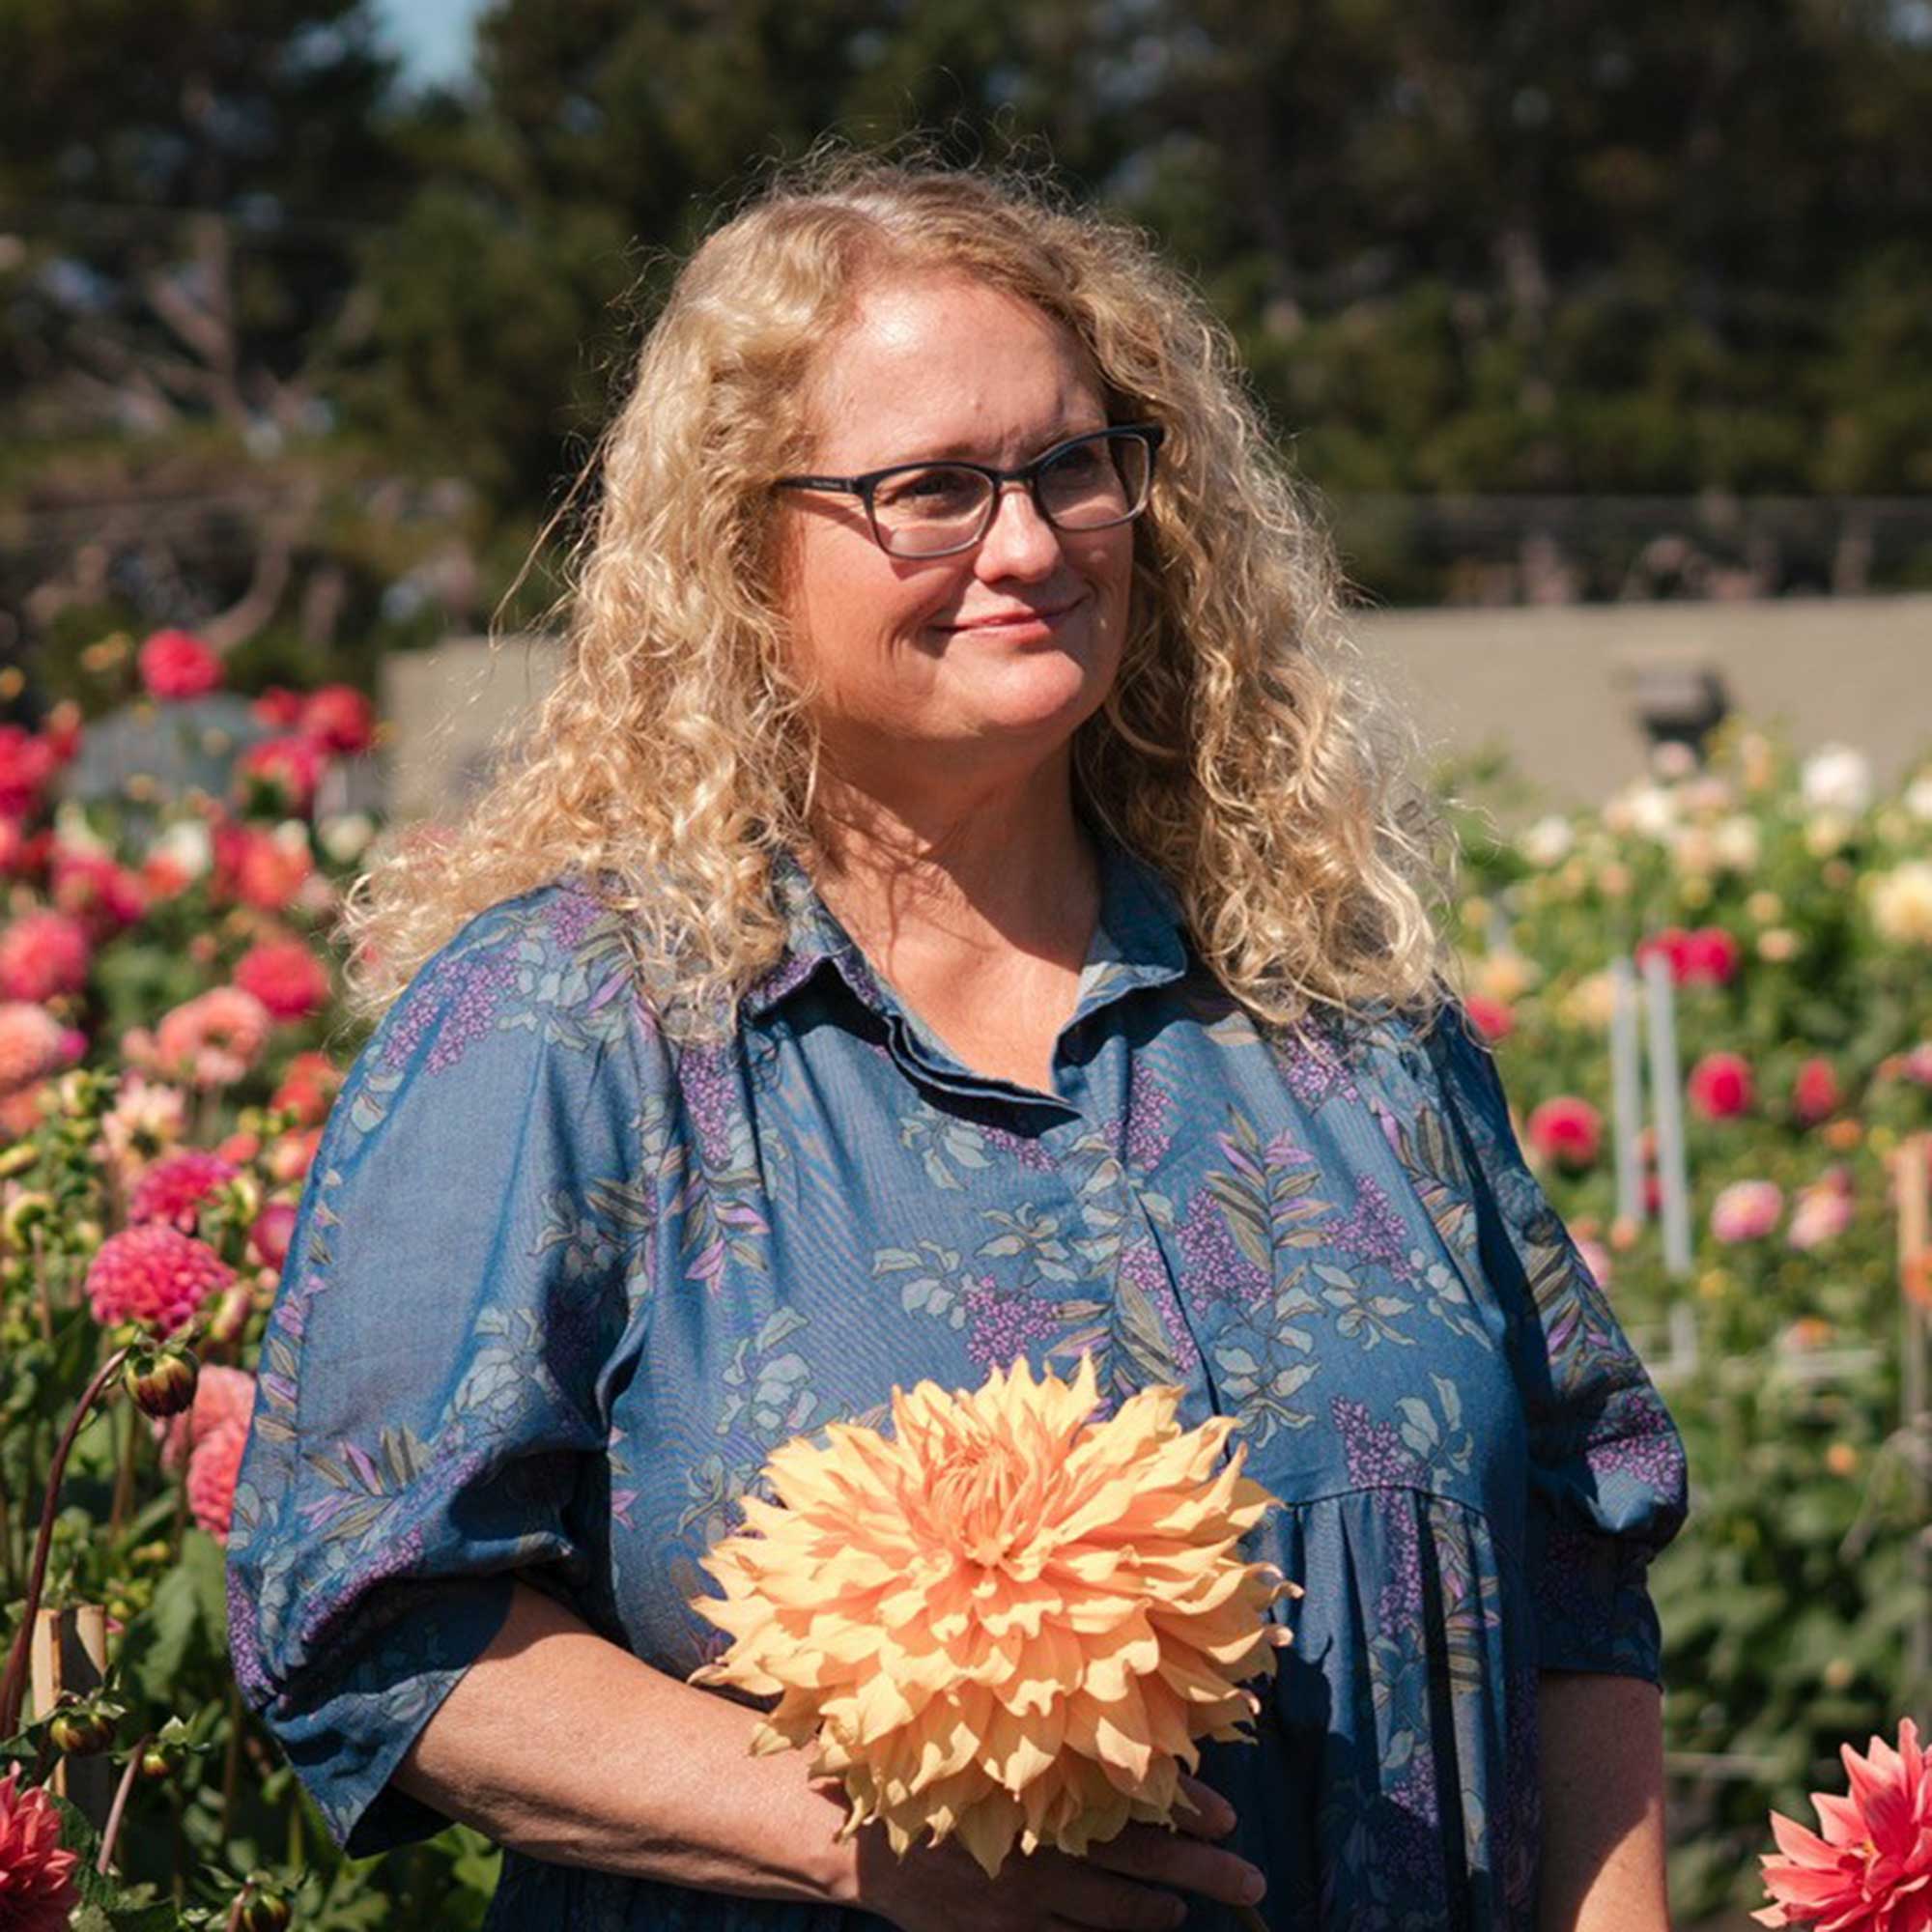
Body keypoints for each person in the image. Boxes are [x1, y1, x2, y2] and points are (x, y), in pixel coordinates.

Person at [226, 156, 1687, 1931]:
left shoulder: (1333, 1006)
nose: (1026, 544)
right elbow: (370, 1612)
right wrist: (866, 1843)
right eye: (927, 489)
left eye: (1071, 465)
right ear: (739, 548)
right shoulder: (569, 1026)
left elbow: (1575, 1556)